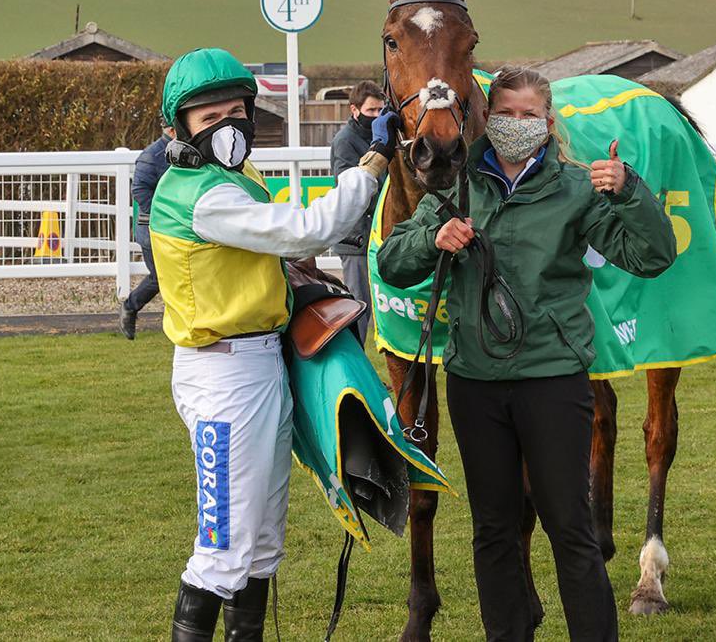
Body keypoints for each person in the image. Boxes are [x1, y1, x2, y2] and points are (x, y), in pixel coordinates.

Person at [377, 66, 677, 642]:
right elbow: (391, 263)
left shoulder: (575, 188)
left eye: (529, 114)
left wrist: (631, 191)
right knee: (494, 529)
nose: (516, 123)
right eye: (505, 112)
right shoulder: (456, 187)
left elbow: (652, 255)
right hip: (475, 383)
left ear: (547, 121)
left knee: (570, 528)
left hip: (552, 381)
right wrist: (430, 239)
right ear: (486, 117)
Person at [149, 48, 397, 642]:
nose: (228, 128)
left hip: (262, 364)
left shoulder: (239, 179)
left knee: (262, 546)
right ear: (178, 129)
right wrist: (373, 162)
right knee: (223, 550)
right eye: (209, 119)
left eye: (236, 113)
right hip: (224, 378)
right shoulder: (201, 195)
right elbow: (308, 228)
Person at [329, 80, 386, 345]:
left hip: (378, 233)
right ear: (355, 110)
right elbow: (349, 187)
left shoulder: (380, 137)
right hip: (356, 238)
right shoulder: (345, 141)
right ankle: (356, 374)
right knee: (359, 310)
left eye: (380, 111)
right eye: (372, 110)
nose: (377, 116)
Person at [120, 117, 176, 339]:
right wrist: (165, 216)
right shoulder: (151, 156)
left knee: (169, 277)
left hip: (168, 227)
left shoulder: (176, 152)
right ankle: (130, 307)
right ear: (172, 130)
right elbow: (140, 191)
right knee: (161, 278)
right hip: (152, 230)